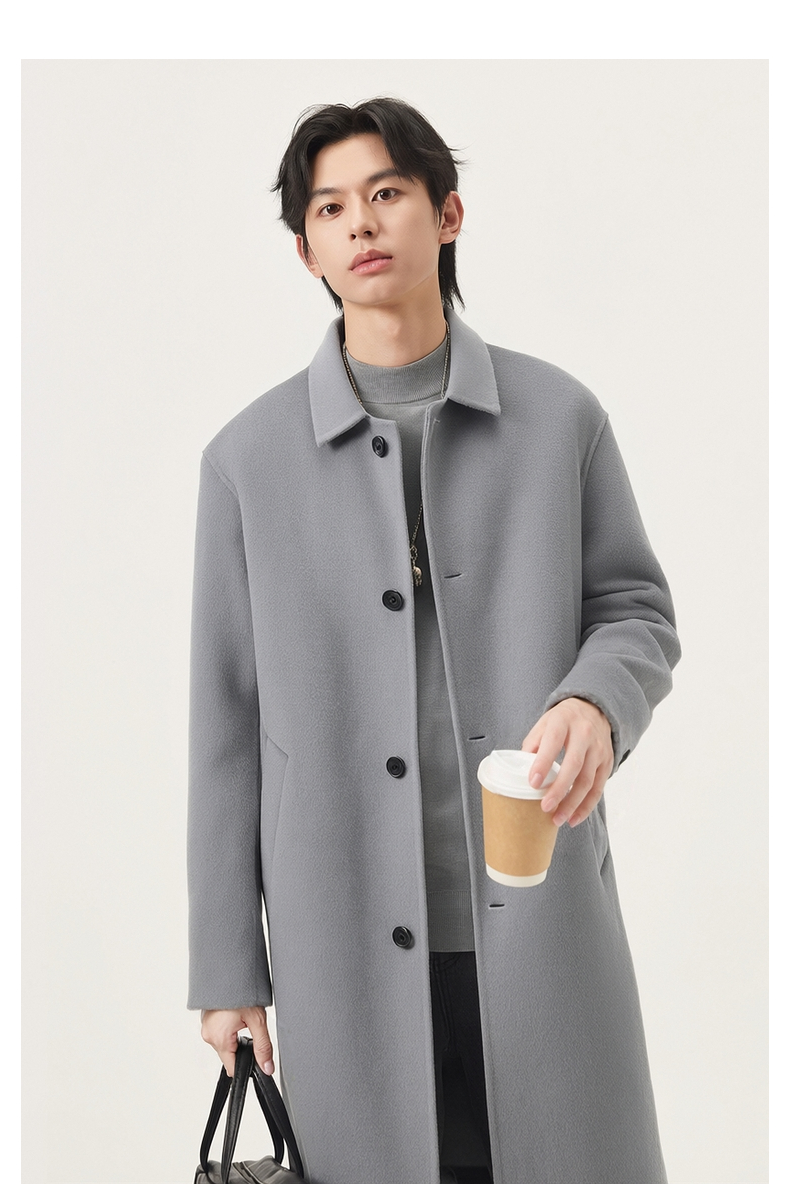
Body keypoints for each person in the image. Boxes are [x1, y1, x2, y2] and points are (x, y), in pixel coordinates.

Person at [188, 97, 681, 1184]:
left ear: (447, 214)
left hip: (541, 920)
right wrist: (228, 969)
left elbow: (636, 607)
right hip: (342, 941)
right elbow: (225, 728)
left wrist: (596, 699)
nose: (360, 223)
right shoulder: (247, 463)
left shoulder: (560, 419)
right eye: (329, 208)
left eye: (386, 193)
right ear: (306, 249)